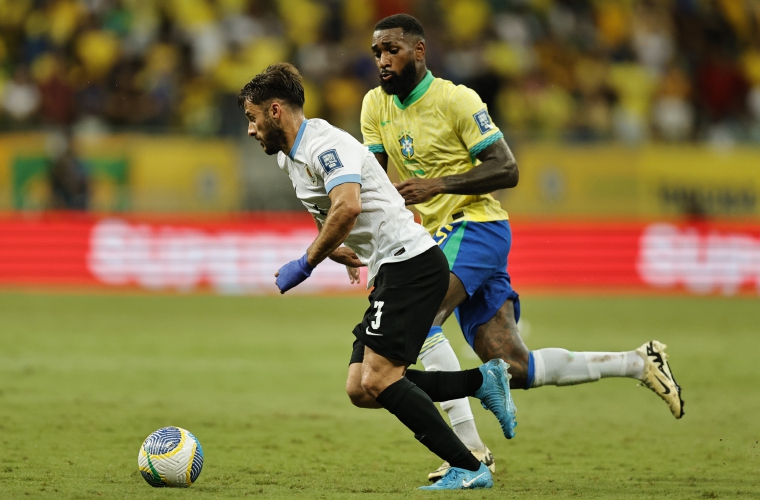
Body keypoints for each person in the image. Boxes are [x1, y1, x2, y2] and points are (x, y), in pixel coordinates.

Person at [361, 13, 684, 482]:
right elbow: (373, 185)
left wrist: (439, 184)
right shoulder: (375, 105)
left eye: (392, 50)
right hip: (435, 240)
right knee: (512, 365)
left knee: (416, 321)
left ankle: (469, 454)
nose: (382, 61)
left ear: (419, 51)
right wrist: (372, 248)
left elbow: (507, 168)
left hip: (476, 225)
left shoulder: (456, 99)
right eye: (376, 53)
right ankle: (638, 362)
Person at [238, 62, 518, 491]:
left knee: (379, 378)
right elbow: (334, 215)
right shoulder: (291, 160)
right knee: (360, 388)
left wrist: (307, 262)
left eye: (253, 119)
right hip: (392, 267)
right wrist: (339, 252)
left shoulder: (324, 146)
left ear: (275, 111)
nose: (252, 130)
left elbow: (347, 206)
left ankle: (469, 465)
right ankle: (481, 380)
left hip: (411, 264)